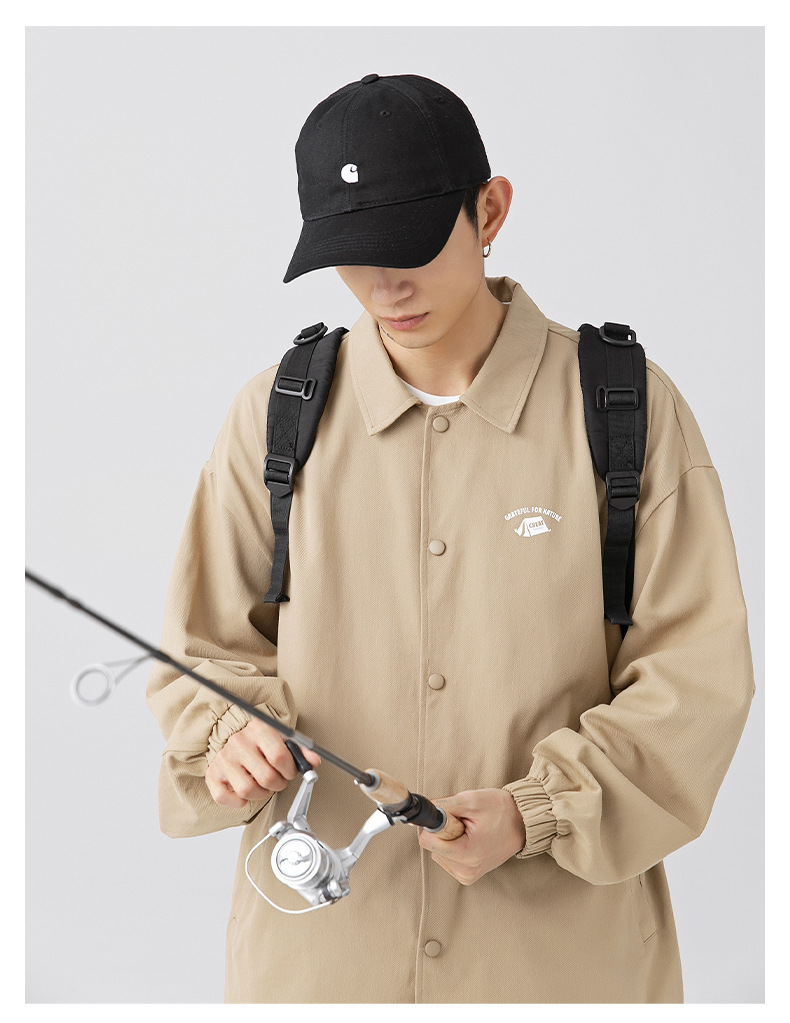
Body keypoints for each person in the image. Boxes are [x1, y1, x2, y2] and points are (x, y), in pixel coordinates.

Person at [146, 73, 755, 1004]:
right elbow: (200, 652)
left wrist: (535, 811)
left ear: (490, 210)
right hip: (318, 964)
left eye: (413, 245)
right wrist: (232, 734)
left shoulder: (624, 407)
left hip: (561, 967)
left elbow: (696, 674)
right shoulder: (277, 414)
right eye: (353, 255)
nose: (386, 286)